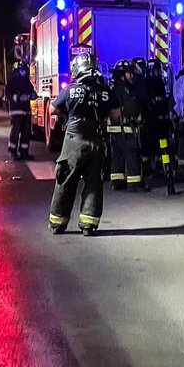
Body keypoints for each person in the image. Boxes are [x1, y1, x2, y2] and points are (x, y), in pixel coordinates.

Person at [49, 54, 121, 236]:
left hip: (74, 141)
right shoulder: (106, 91)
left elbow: (52, 110)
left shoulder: (70, 90)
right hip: (97, 142)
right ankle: (89, 224)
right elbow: (116, 115)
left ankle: (58, 222)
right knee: (94, 181)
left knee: (65, 179)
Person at [108, 60, 146, 191]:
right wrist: (139, 118)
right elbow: (131, 106)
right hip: (126, 127)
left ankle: (117, 182)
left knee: (117, 155)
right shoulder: (124, 88)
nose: (132, 76)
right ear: (122, 75)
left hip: (114, 129)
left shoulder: (113, 87)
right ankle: (134, 184)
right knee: (132, 154)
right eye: (129, 73)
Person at [5, 61, 36, 160]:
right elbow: (8, 94)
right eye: (21, 70)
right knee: (16, 131)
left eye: (24, 70)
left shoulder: (26, 82)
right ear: (17, 71)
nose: (23, 72)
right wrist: (18, 97)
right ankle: (12, 152)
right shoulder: (12, 81)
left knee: (26, 133)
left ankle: (24, 153)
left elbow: (32, 92)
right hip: (16, 111)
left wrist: (32, 95)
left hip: (26, 111)